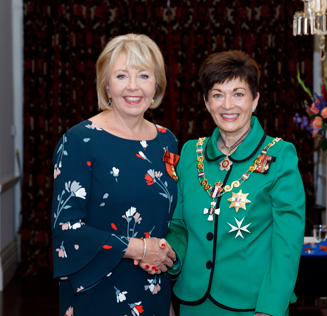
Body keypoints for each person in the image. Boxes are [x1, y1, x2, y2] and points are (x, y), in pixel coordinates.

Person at [164, 51, 305, 316]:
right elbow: (180, 226)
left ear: (255, 101)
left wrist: (271, 308)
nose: (228, 105)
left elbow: (287, 243)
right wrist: (168, 256)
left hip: (253, 306)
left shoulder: (280, 155)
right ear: (206, 103)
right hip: (193, 302)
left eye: (238, 94)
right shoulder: (189, 153)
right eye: (218, 94)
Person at [51, 33, 178, 316]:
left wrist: (166, 300)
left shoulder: (167, 141)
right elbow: (67, 231)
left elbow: (171, 222)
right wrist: (140, 249)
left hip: (154, 291)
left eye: (144, 75)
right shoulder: (79, 141)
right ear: (106, 85)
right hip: (96, 295)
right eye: (121, 76)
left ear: (156, 84)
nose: (133, 86)